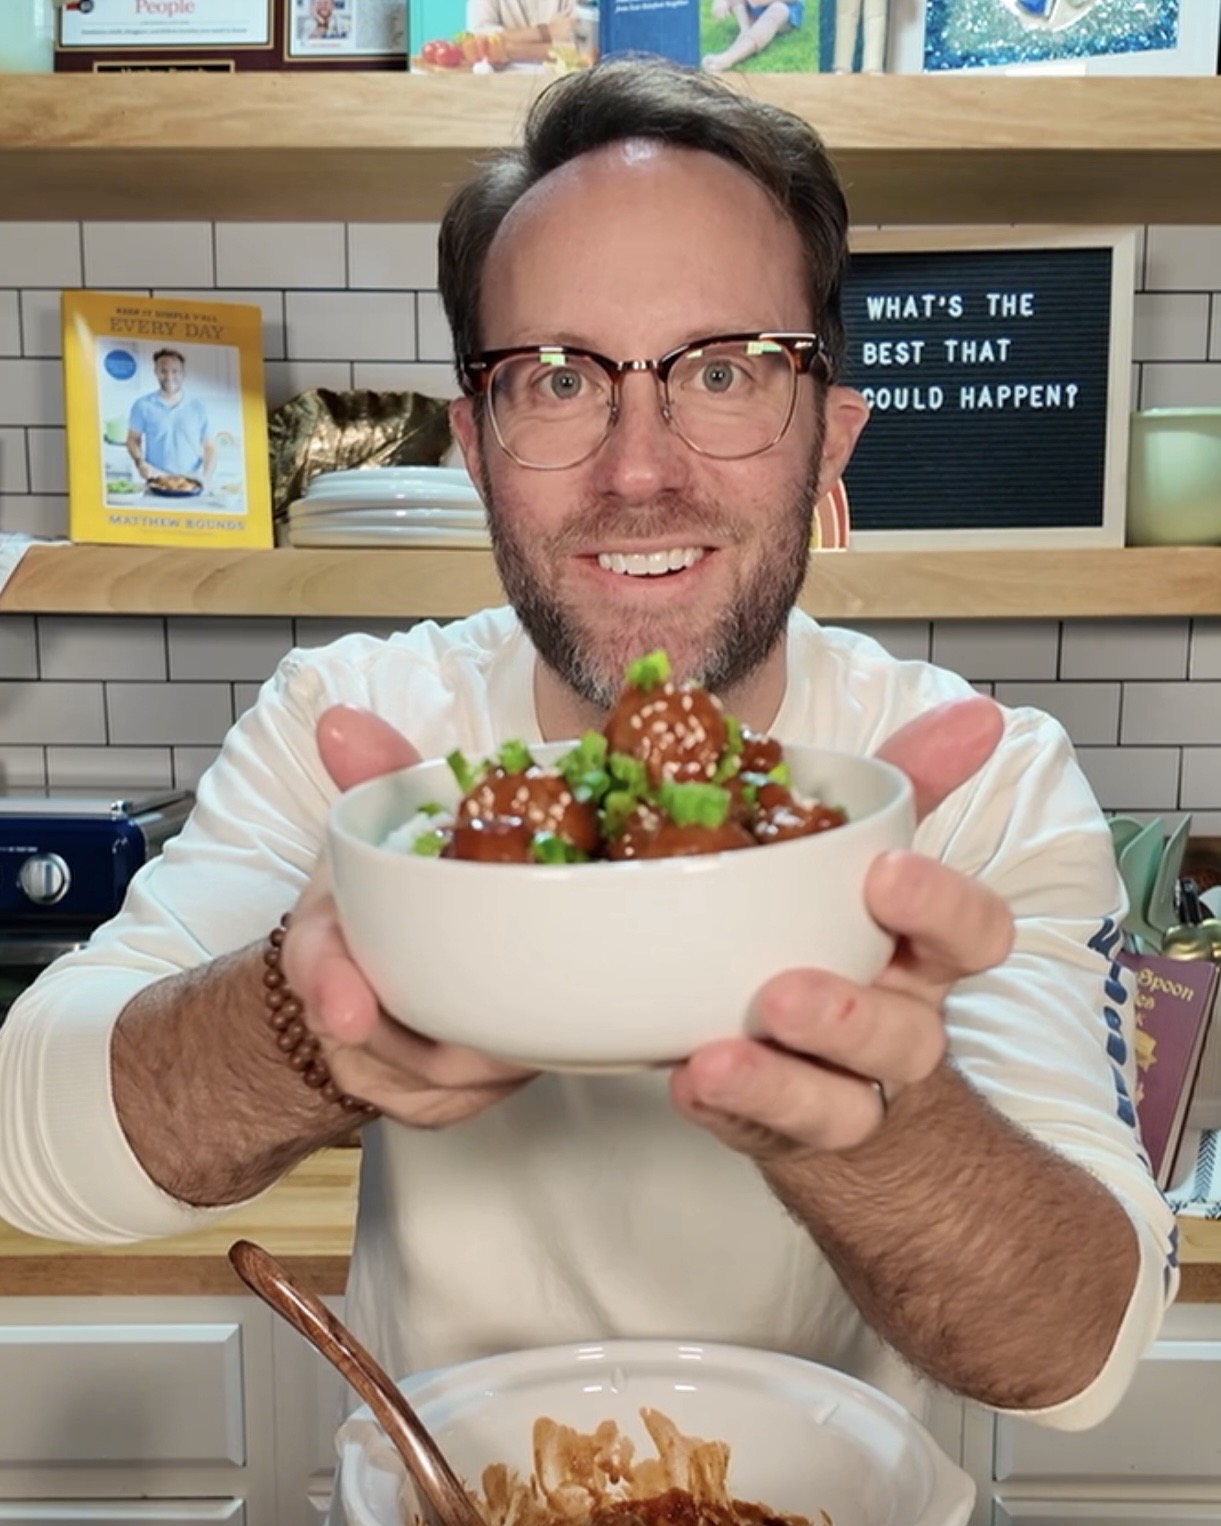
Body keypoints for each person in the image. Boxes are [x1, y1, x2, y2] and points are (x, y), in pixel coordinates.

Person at [0, 54, 1174, 1473]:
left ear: (828, 436)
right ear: (482, 448)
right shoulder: (361, 731)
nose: (638, 469)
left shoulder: (973, 783)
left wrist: (874, 1124)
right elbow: (35, 1145)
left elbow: (1081, 1352)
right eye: (556, 378)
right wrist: (315, 1020)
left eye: (725, 370)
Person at [125, 348, 215, 486]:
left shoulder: (199, 407)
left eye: (175, 371)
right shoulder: (142, 405)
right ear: (156, 372)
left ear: (183, 373)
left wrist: (206, 477)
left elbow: (209, 446)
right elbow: (132, 440)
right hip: (156, 479)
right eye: (163, 371)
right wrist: (140, 462)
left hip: (191, 480)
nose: (169, 376)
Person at [701, 0, 803, 73]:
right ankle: (745, 30)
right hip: (752, 10)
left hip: (782, 11)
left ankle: (729, 57)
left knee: (778, 9)